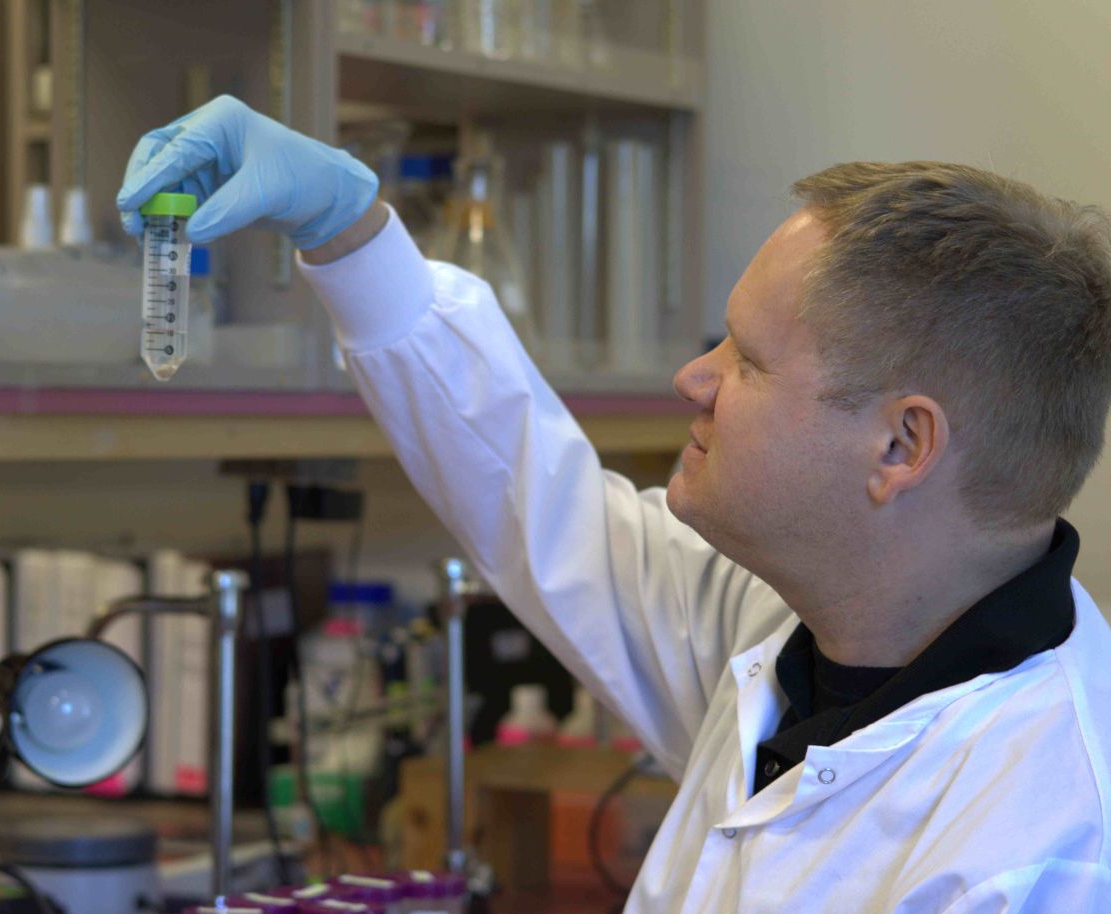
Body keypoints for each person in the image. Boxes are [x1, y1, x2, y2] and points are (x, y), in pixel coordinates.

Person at [117, 96, 1111, 912]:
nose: (692, 377)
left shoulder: (1041, 852)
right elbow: (534, 500)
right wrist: (348, 232)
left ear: (899, 445)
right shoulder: (798, 624)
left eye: (745, 360)